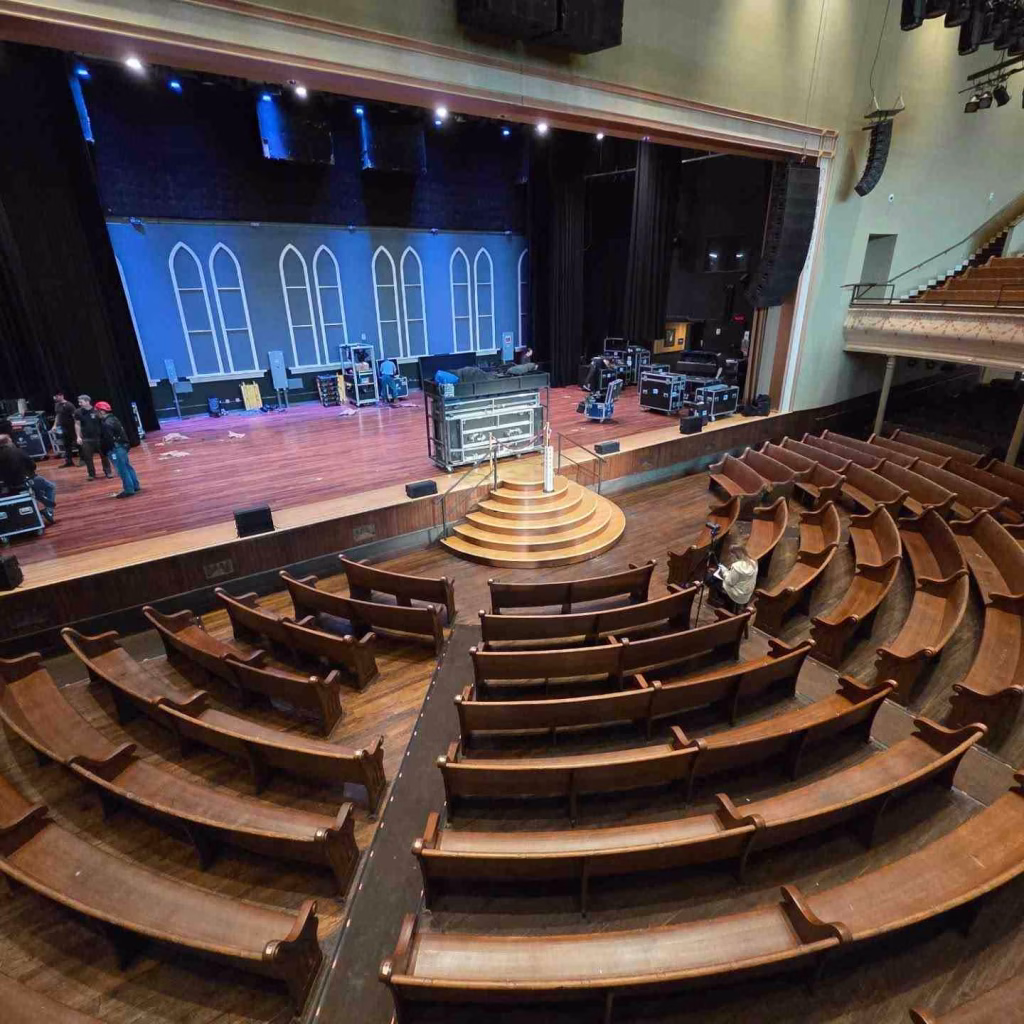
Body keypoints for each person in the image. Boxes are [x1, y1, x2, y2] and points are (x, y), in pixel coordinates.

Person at [0, 434, 56, 524]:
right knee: (50, 487)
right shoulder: (18, 451)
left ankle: (45, 503)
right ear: (8, 442)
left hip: (9, 486)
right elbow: (33, 465)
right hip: (27, 481)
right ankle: (49, 510)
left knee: (35, 490)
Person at [95, 401, 140, 498]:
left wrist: (106, 450)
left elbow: (108, 439)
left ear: (102, 411)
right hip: (122, 446)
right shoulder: (114, 418)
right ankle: (135, 485)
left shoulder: (106, 423)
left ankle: (129, 489)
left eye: (97, 411)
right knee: (127, 466)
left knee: (121, 469)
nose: (96, 414)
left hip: (115, 448)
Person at [708, 544, 758, 613]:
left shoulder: (737, 566)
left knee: (713, 580)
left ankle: (718, 602)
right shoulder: (754, 562)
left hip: (737, 594)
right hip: (747, 593)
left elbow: (730, 582)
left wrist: (724, 571)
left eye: (732, 555)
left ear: (735, 555)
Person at [75, 394, 112, 480]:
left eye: (81, 402)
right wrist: (78, 436)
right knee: (88, 457)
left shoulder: (96, 410)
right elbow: (77, 424)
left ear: (87, 402)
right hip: (86, 438)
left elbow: (104, 423)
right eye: (79, 402)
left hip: (99, 438)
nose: (79, 404)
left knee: (104, 456)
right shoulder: (78, 412)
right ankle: (91, 474)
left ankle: (108, 472)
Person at [53, 391, 77, 467]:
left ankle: (83, 460)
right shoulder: (56, 405)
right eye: (55, 397)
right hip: (63, 428)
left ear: (61, 396)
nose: (56, 398)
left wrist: (77, 426)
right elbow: (57, 415)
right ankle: (69, 461)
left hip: (71, 427)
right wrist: (54, 425)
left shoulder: (69, 405)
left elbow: (75, 416)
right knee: (66, 445)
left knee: (77, 443)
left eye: (57, 396)